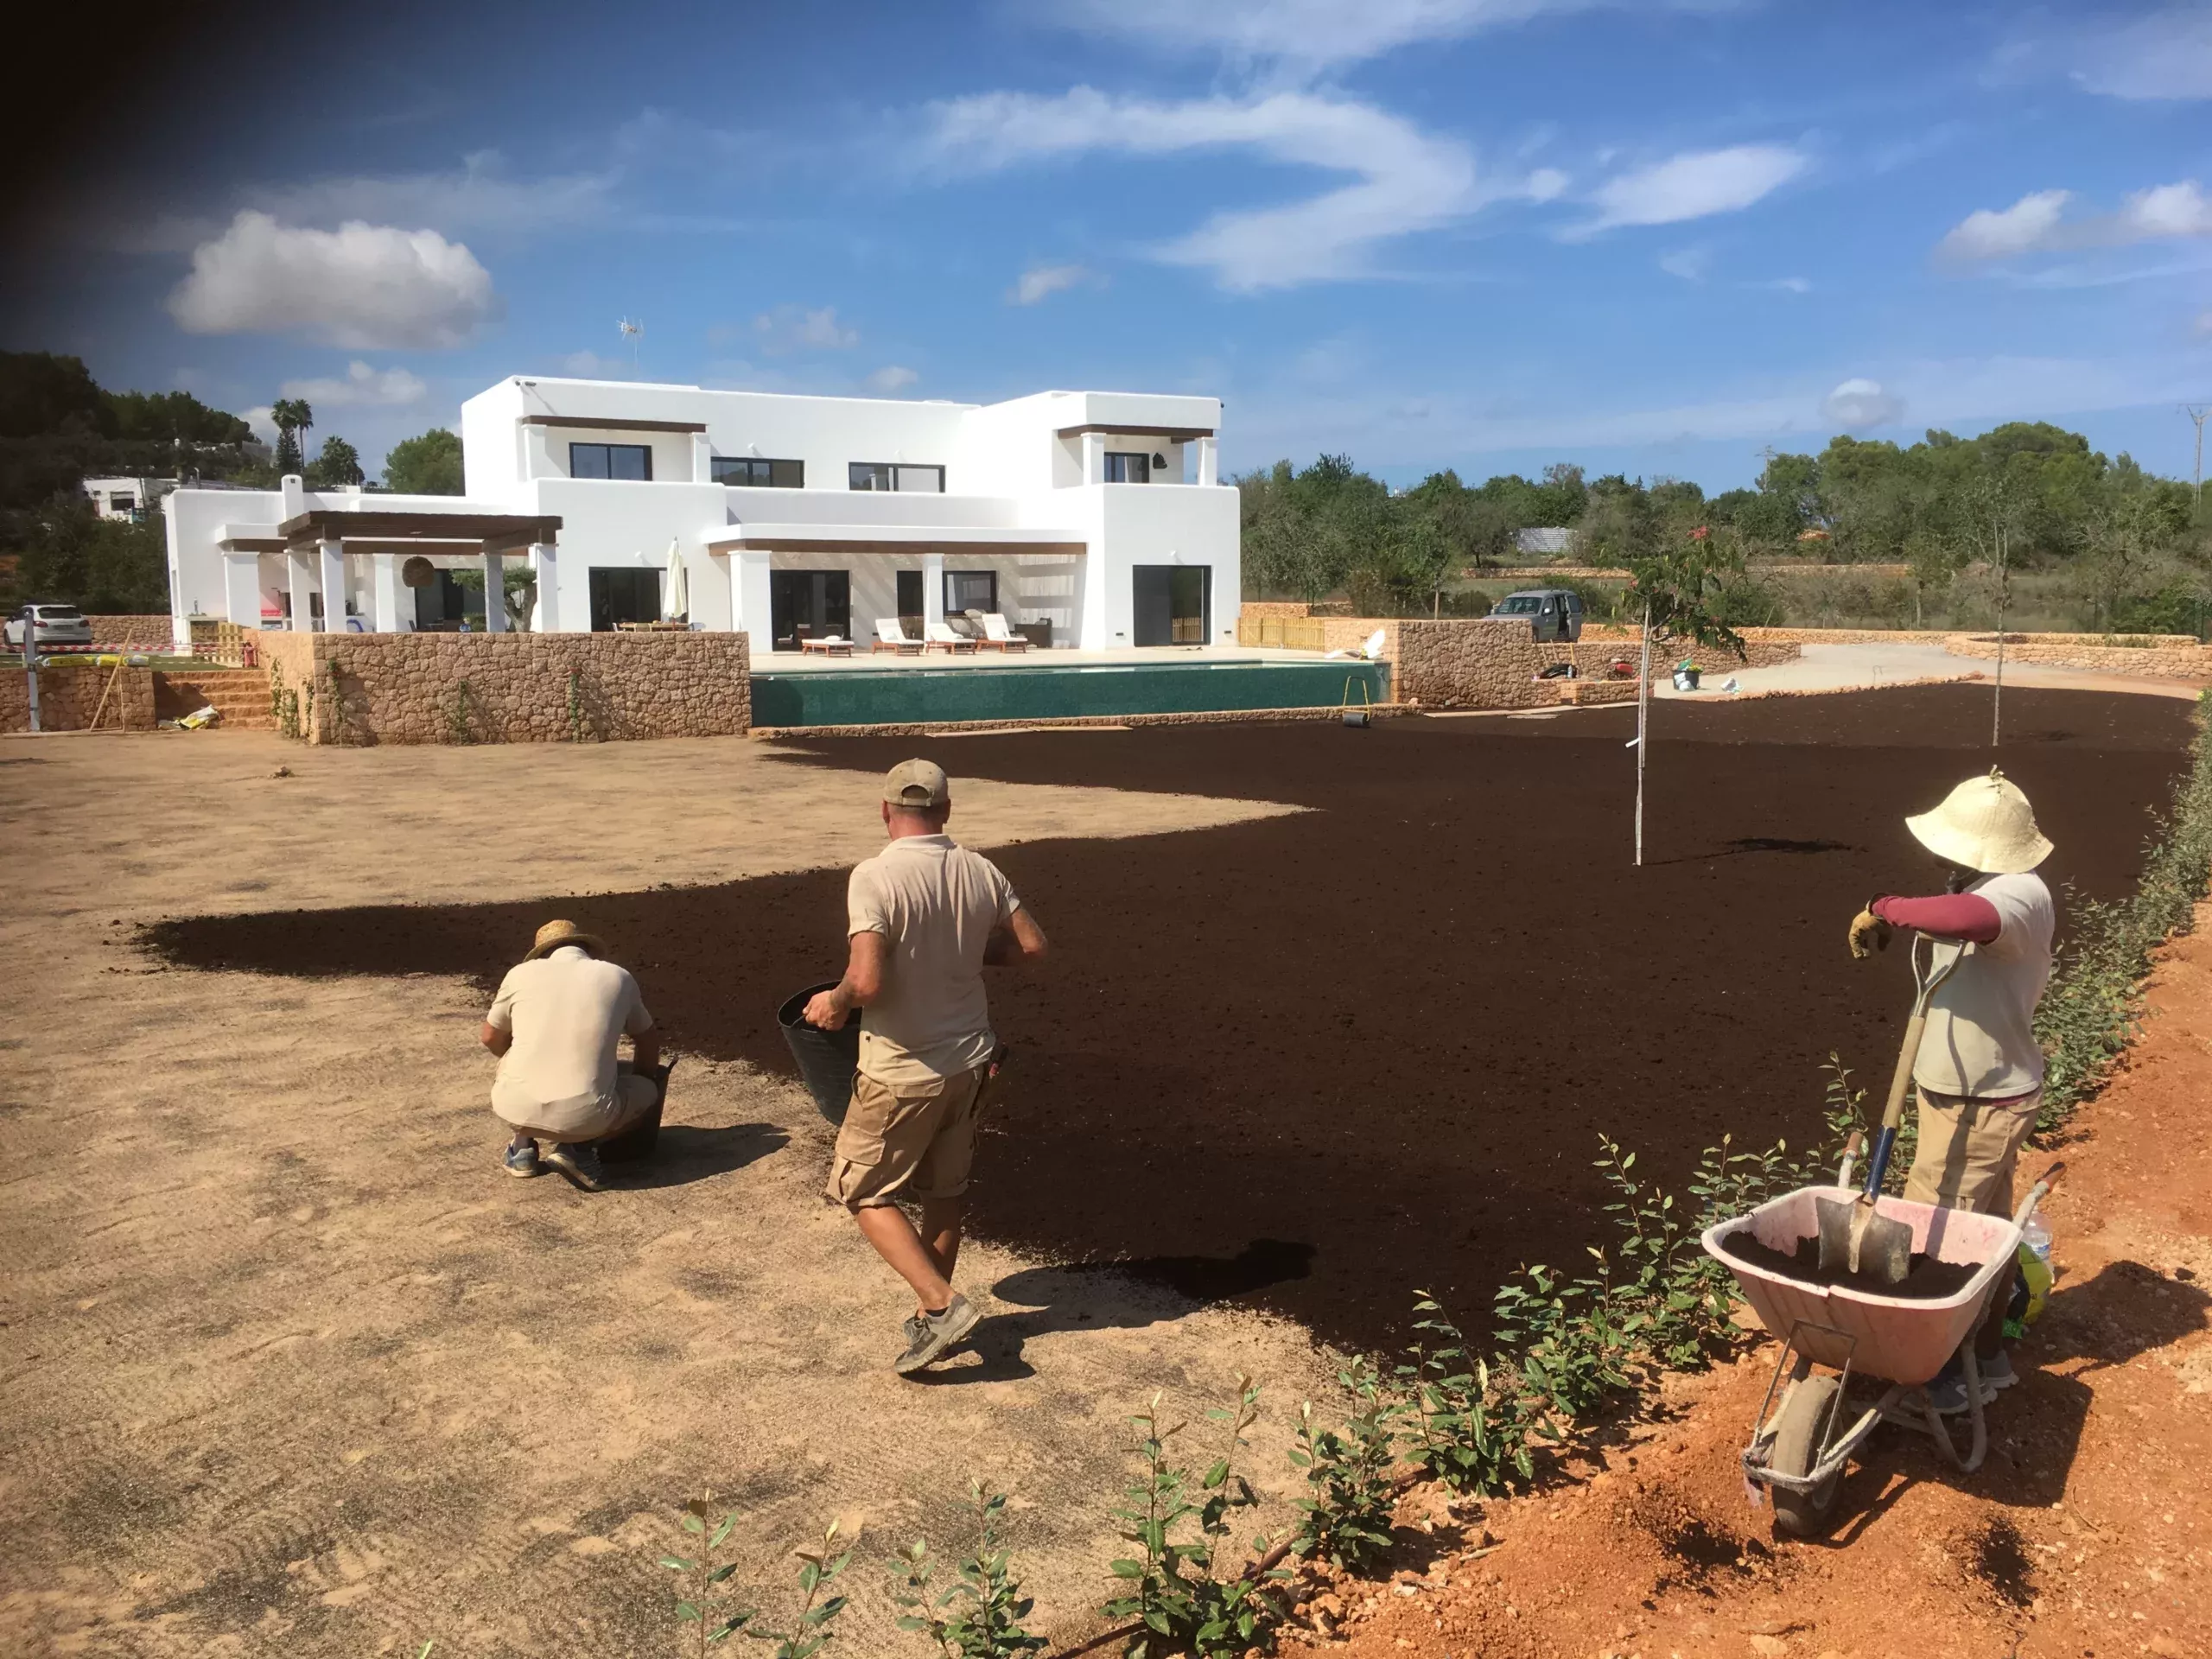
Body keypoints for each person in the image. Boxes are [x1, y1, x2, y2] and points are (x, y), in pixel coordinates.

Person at [805, 759, 1049, 1376]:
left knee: (860, 1189)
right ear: (945, 810)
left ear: (886, 810)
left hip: (902, 1069)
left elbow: (865, 979)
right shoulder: (980, 870)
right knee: (944, 1195)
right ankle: (930, 1318)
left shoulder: (875, 876)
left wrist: (831, 1004)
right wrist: (966, 950)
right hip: (970, 1061)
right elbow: (1031, 945)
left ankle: (941, 1306)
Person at [1847, 766, 2055, 1411]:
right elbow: (1957, 914)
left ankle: (1935, 1376)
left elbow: (1972, 918)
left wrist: (1887, 908)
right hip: (1966, 1092)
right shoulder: (1982, 884)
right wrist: (1906, 921)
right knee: (1987, 1235)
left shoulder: (2018, 893)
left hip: (1981, 1102)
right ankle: (1985, 1361)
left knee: (1935, 1235)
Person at [482, 918, 662, 1192]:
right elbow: (648, 1042)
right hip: (588, 1116)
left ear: (541, 954)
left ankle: (521, 1151)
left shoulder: (519, 974)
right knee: (647, 1091)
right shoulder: (617, 976)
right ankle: (579, 1148)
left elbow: (490, 1038)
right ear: (586, 948)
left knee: (513, 1059)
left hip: (511, 1107)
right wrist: (641, 1084)